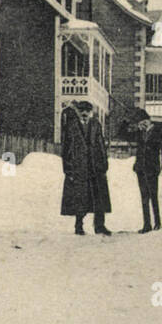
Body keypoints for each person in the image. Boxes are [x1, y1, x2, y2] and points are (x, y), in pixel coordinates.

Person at [60, 101, 112, 235]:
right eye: (82, 111)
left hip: (96, 166)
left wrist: (104, 163)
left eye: (87, 112)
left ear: (91, 113)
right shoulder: (71, 127)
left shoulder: (96, 125)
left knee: (99, 196)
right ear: (78, 112)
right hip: (79, 167)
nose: (84, 114)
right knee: (80, 196)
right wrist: (68, 169)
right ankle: (79, 226)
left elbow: (101, 145)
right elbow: (66, 149)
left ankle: (99, 225)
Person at [130, 108, 162, 233]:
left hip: (152, 168)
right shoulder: (139, 133)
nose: (141, 125)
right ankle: (146, 224)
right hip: (140, 168)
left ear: (147, 121)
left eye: (142, 123)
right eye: (139, 124)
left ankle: (157, 222)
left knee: (154, 195)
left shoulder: (158, 131)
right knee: (144, 197)